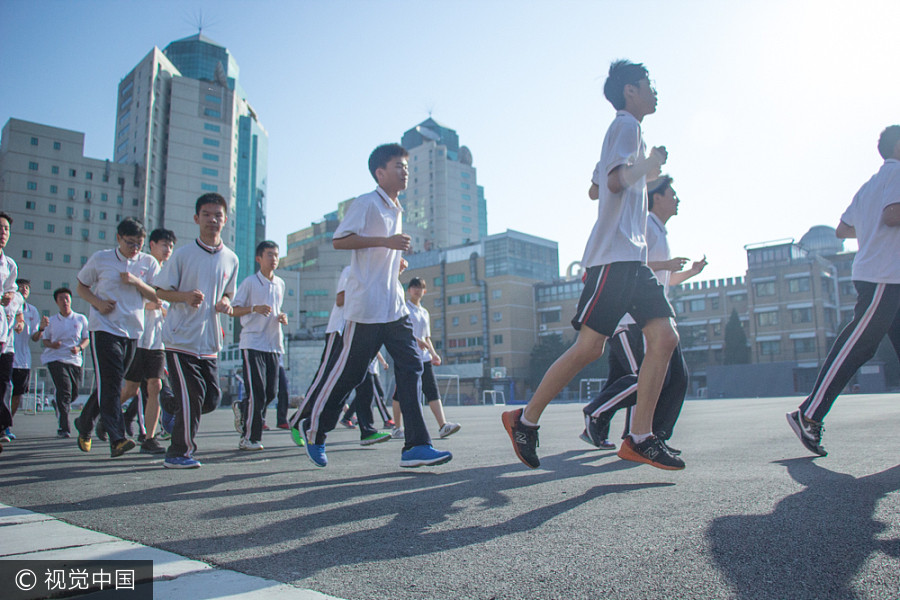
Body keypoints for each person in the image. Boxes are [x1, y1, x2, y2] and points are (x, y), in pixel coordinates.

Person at [502, 59, 682, 470]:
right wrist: (649, 166)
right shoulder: (625, 126)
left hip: (632, 259)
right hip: (614, 259)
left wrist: (641, 171)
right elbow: (614, 183)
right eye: (647, 84)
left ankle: (639, 436)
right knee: (589, 348)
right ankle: (524, 420)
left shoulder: (626, 132)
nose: (655, 91)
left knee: (664, 338)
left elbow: (595, 188)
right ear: (629, 92)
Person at [293, 143, 451, 469]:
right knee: (349, 375)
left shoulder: (396, 207)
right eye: (398, 166)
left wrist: (395, 263)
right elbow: (340, 240)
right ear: (380, 173)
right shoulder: (367, 203)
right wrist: (386, 243)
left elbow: (380, 256)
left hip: (394, 306)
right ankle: (314, 430)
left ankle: (416, 446)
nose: (405, 171)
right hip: (366, 307)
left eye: (406, 166)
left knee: (413, 368)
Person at [788, 125, 900, 456]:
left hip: (883, 274)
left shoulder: (870, 185)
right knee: (859, 345)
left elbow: (842, 229)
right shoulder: (896, 174)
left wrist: (870, 228)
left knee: (863, 344)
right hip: (884, 276)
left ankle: (809, 412)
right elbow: (893, 215)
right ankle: (808, 413)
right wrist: (880, 227)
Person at [580, 175, 706, 452]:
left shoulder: (660, 231)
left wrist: (690, 272)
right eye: (672, 194)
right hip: (630, 318)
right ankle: (601, 414)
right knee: (647, 378)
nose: (677, 200)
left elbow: (664, 279)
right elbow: (631, 261)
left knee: (645, 378)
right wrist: (668, 263)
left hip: (649, 317)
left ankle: (639, 436)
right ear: (656, 197)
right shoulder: (645, 223)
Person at [154, 193, 239, 469]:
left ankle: (170, 406)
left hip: (210, 341)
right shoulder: (183, 255)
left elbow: (229, 294)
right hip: (181, 338)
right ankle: (179, 452)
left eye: (218, 215)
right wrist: (185, 296)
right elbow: (159, 290)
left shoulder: (231, 259)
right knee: (192, 395)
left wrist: (225, 303)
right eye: (206, 214)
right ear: (196, 218)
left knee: (211, 399)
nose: (212, 220)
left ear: (225, 220)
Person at [74, 218, 160, 457]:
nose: (134, 249)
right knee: (111, 384)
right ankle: (118, 438)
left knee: (111, 384)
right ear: (118, 238)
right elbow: (81, 286)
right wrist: (98, 303)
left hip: (133, 331)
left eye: (139, 244)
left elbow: (157, 295)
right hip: (104, 328)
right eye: (130, 243)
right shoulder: (101, 259)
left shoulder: (148, 263)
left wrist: (135, 281)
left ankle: (85, 422)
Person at [119, 228, 176, 454]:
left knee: (155, 385)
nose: (167, 249)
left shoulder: (170, 274)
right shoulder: (140, 267)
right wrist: (149, 304)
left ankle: (149, 437)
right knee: (131, 390)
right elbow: (131, 298)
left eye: (171, 246)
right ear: (150, 244)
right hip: (137, 336)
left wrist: (164, 307)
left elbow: (168, 305)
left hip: (157, 341)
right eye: (164, 244)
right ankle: (108, 417)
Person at [229, 240, 287, 451]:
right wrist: (254, 308)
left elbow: (277, 310)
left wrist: (281, 316)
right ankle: (250, 438)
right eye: (269, 255)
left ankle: (243, 408)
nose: (274, 259)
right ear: (259, 258)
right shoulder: (250, 283)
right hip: (252, 342)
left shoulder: (280, 283)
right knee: (258, 392)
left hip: (273, 344)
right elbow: (233, 310)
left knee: (270, 393)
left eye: (276, 255)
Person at [287, 265, 351, 447]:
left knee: (344, 382)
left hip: (356, 333)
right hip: (338, 331)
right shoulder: (352, 270)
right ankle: (297, 420)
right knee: (323, 379)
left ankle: (366, 429)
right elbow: (340, 300)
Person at [391, 278, 460, 439]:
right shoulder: (404, 308)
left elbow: (427, 337)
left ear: (424, 291)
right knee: (400, 393)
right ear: (408, 290)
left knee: (432, 390)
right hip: (406, 355)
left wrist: (433, 353)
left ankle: (443, 426)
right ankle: (397, 427)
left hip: (424, 358)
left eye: (420, 287)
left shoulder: (424, 312)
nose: (416, 290)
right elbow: (400, 331)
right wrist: (416, 340)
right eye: (413, 287)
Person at [41, 288, 90, 438]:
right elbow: (45, 340)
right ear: (57, 302)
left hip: (74, 360)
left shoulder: (80, 319)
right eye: (61, 299)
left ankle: (58, 403)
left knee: (73, 393)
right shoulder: (52, 321)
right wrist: (53, 345)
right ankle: (64, 428)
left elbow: (86, 338)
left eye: (67, 298)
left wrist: (79, 348)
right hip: (55, 358)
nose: (65, 301)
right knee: (65, 391)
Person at [8, 279, 46, 441]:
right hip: (7, 355)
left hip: (23, 360)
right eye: (21, 287)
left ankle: (6, 425)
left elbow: (35, 338)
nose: (24, 289)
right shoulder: (8, 306)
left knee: (17, 395)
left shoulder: (32, 311)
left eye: (27, 288)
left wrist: (43, 328)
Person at [0, 212, 19, 445]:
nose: (3, 233)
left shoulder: (10, 264)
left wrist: (9, 296)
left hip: (3, 333)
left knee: (4, 381)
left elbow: (11, 291)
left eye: (5, 229)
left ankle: (3, 426)